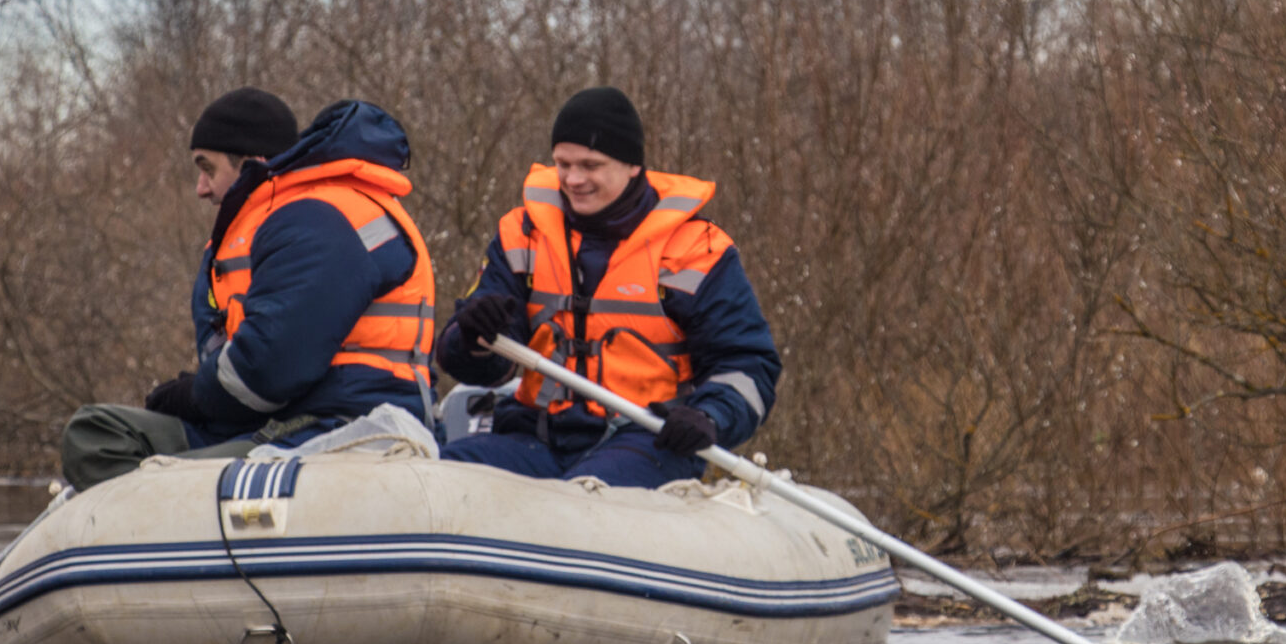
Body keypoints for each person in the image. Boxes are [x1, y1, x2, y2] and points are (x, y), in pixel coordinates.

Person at [58, 89, 435, 490]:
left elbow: (268, 370)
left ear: (252, 164)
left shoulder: (320, 218)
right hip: (270, 420)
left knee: (164, 476)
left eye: (208, 168)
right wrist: (201, 396)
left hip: (339, 424)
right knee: (95, 434)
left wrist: (195, 396)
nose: (201, 188)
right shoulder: (273, 222)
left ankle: (166, 524)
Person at [435, 86, 780, 488]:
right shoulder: (521, 234)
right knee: (440, 478)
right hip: (536, 436)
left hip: (647, 441)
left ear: (632, 166)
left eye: (590, 165)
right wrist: (475, 338)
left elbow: (747, 364)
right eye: (563, 164)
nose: (573, 179)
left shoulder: (696, 250)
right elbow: (471, 363)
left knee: (581, 503)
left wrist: (709, 416)